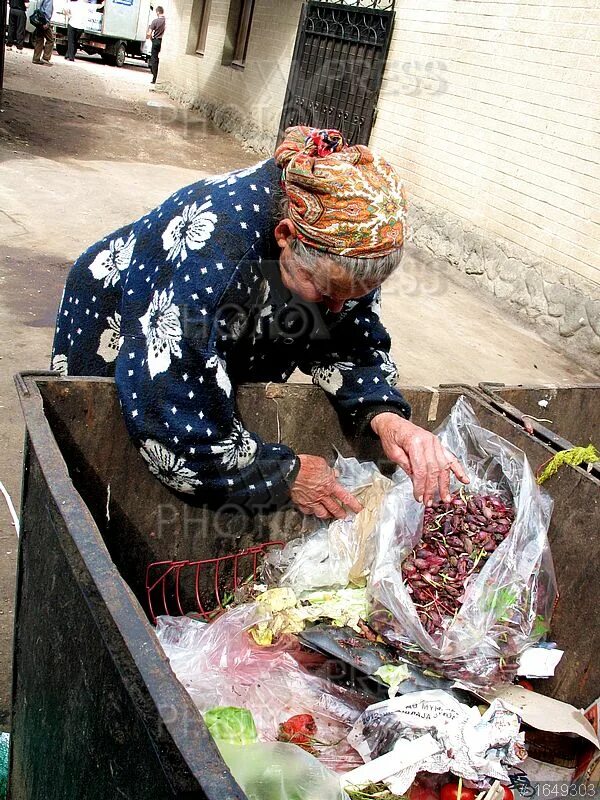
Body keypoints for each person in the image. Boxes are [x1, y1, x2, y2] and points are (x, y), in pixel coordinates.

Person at [51, 125, 469, 519]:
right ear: (286, 235)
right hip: (121, 307)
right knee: (111, 458)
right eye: (325, 294)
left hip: (237, 297)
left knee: (233, 389)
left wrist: (388, 418)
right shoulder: (218, 255)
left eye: (352, 296)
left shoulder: (345, 254)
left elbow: (349, 341)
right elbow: (173, 413)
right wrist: (284, 475)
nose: (336, 309)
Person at [32, 0, 54, 65]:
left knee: (39, 39)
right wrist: (46, 21)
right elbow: (48, 10)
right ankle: (45, 58)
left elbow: (37, 7)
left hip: (38, 19)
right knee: (50, 40)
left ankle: (36, 58)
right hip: (44, 21)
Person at [147, 5, 165, 84]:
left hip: (156, 41)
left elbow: (149, 33)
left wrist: (152, 40)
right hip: (163, 42)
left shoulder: (155, 21)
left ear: (158, 12)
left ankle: (155, 78)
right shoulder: (166, 21)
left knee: (154, 59)